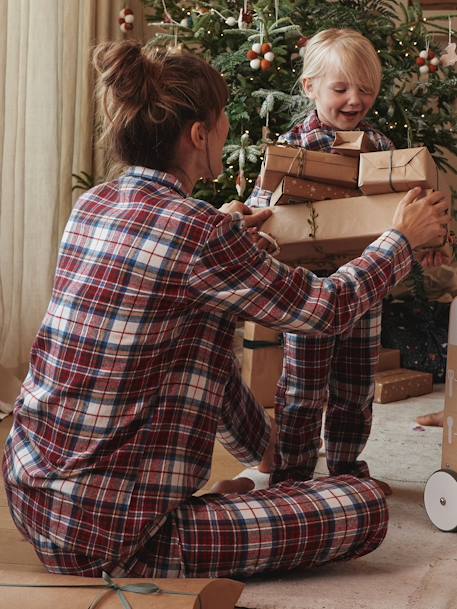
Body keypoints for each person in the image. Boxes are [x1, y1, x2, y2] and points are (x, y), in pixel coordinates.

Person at [2, 40, 448, 580]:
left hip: (31, 495)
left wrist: (228, 234)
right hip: (112, 534)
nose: (225, 130)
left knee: (205, 344)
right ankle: (190, 522)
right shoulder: (200, 234)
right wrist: (400, 239)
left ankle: (236, 492)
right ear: (198, 134)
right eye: (220, 121)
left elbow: (184, 297)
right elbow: (326, 308)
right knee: (363, 507)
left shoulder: (93, 203)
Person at [245, 28, 448, 491]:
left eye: (367, 90)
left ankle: (346, 468)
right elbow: (265, 213)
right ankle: (293, 474)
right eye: (340, 89)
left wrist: (425, 244)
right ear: (310, 87)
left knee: (356, 387)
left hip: (365, 291)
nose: (355, 100)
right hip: (309, 292)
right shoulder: (291, 150)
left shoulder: (380, 148)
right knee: (302, 390)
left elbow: (401, 217)